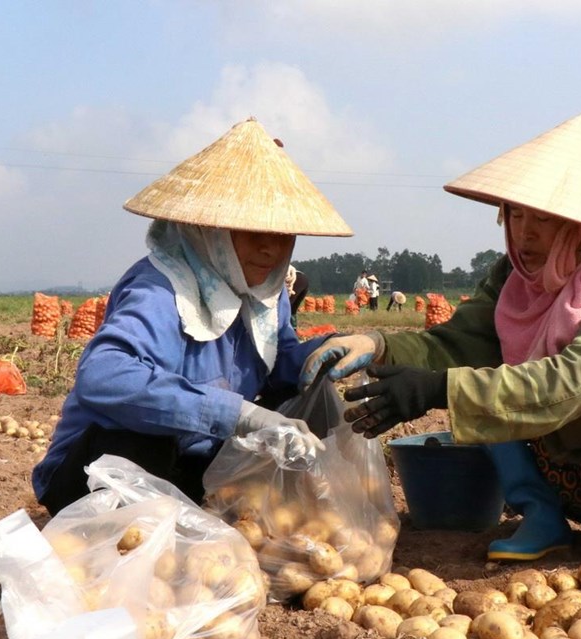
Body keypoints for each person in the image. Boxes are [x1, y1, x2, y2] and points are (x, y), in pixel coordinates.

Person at [300, 113, 581, 581]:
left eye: (545, 219)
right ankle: (543, 516)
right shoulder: (513, 280)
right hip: (578, 481)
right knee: (495, 367)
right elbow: (458, 343)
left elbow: (576, 381)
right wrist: (377, 343)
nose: (524, 234)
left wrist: (437, 390)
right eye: (517, 213)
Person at [32, 118, 353, 514]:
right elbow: (104, 376)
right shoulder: (161, 288)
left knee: (305, 399)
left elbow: (277, 367)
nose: (270, 250)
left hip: (194, 462)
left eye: (282, 234)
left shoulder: (266, 294)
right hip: (97, 471)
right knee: (141, 433)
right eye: (253, 232)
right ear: (212, 230)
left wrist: (329, 349)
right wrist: (239, 413)